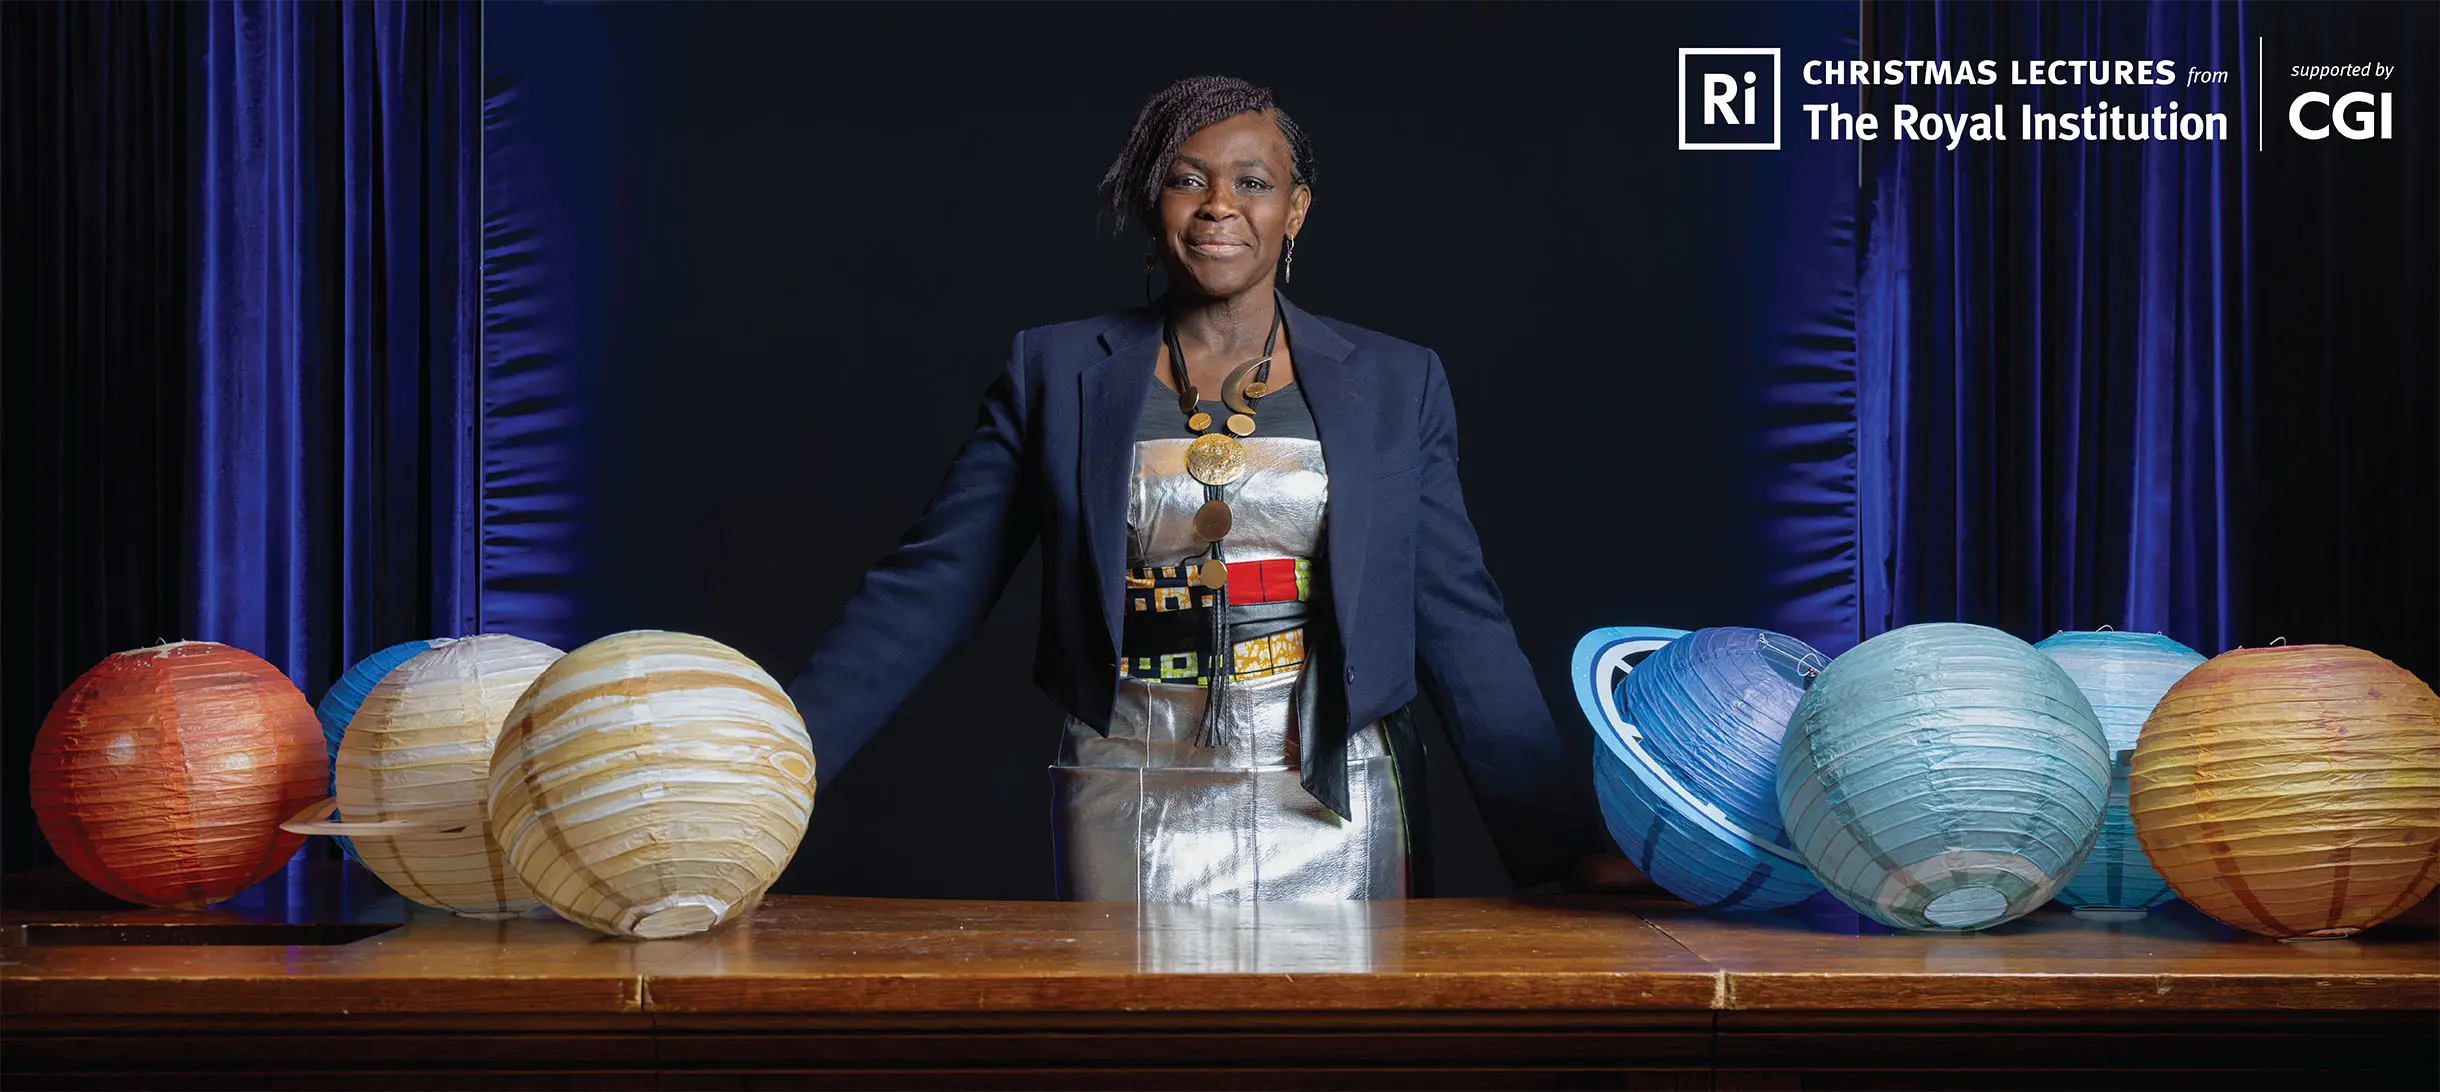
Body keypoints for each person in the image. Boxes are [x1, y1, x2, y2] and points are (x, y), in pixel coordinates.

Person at [787, 75, 1614, 900]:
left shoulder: (1397, 380)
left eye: (1253, 182)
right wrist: (766, 778)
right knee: (1132, 995)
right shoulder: (1055, 372)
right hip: (1128, 784)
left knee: (1348, 998)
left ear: (1295, 210)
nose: (1220, 204)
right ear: (1153, 205)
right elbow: (930, 589)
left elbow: (1458, 620)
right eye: (1188, 179)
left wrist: (1562, 850)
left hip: (1339, 790)